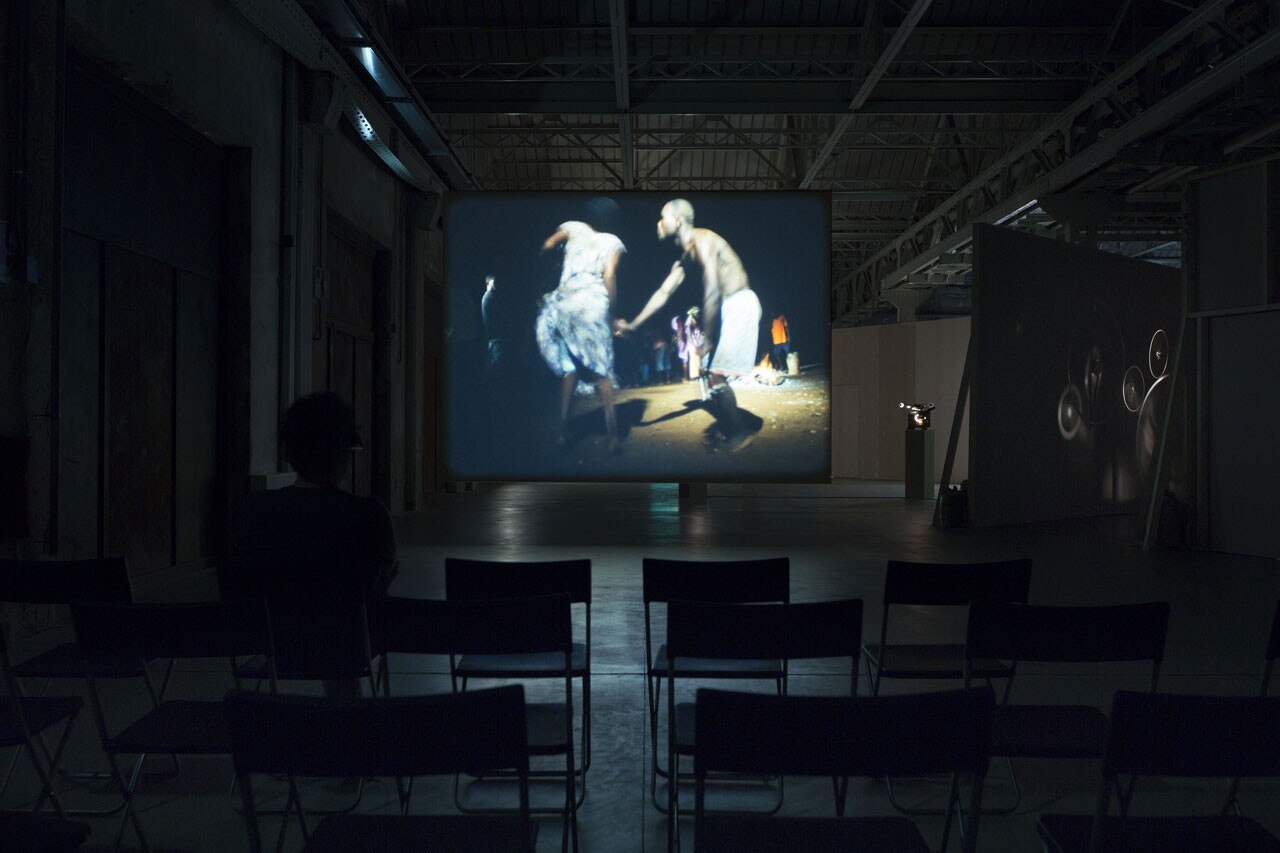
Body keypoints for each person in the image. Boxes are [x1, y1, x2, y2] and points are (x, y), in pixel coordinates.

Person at [231, 391, 396, 697]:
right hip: (348, 647)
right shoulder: (369, 516)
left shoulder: (254, 512)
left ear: (291, 451)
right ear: (344, 451)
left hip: (275, 646)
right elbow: (378, 589)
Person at [615, 199, 762, 451]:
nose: (658, 223)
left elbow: (712, 287)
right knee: (712, 375)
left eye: (663, 218)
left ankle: (739, 432)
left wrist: (708, 337)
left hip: (740, 303)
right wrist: (633, 325)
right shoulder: (685, 256)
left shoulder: (702, 238)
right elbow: (663, 293)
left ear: (678, 221)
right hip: (730, 307)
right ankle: (732, 427)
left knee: (716, 374)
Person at [536, 220, 626, 453]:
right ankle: (613, 436)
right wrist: (612, 315)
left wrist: (543, 282)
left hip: (564, 302)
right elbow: (609, 275)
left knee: (570, 370)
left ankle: (561, 433)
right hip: (591, 303)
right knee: (602, 372)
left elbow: (547, 246)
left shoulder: (574, 227)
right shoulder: (612, 241)